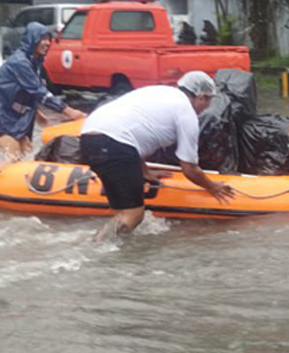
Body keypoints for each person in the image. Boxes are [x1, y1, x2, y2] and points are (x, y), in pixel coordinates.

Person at [79, 70, 236, 238]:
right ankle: (98, 248)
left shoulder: (159, 92)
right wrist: (212, 186)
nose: (207, 107)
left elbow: (132, 128)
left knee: (121, 209)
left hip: (88, 138)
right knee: (133, 214)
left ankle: (103, 239)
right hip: (114, 145)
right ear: (201, 97)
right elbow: (189, 169)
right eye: (208, 101)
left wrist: (144, 171)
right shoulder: (186, 113)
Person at [0, 22, 86, 169]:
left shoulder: (34, 61)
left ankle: (8, 183)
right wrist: (70, 111)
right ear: (32, 40)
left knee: (23, 151)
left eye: (48, 39)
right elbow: (38, 90)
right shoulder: (20, 62)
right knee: (13, 157)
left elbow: (28, 92)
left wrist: (37, 113)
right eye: (43, 39)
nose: (47, 43)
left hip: (9, 114)